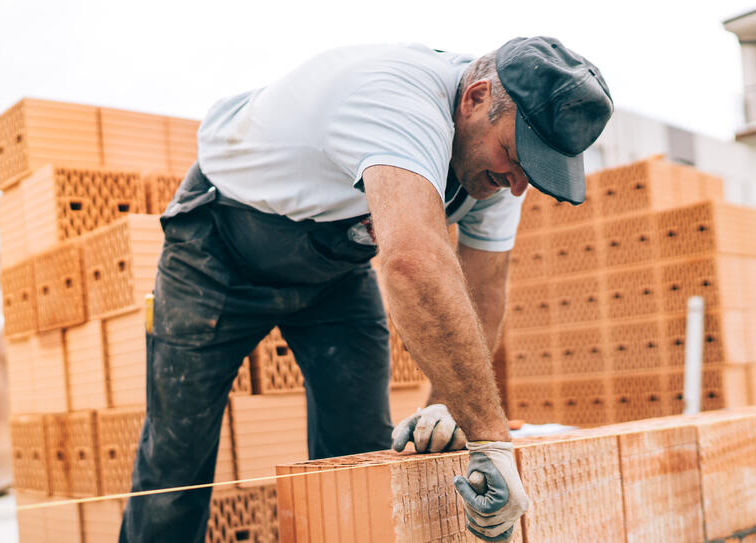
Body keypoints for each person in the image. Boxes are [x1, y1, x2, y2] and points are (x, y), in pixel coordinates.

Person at [120, 36, 612, 542]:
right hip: (218, 246)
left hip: (334, 267)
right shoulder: (396, 98)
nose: (516, 184)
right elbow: (413, 262)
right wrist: (490, 440)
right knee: (175, 466)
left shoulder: (497, 166)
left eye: (533, 171)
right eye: (514, 155)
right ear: (476, 98)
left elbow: (483, 288)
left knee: (357, 456)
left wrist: (448, 405)